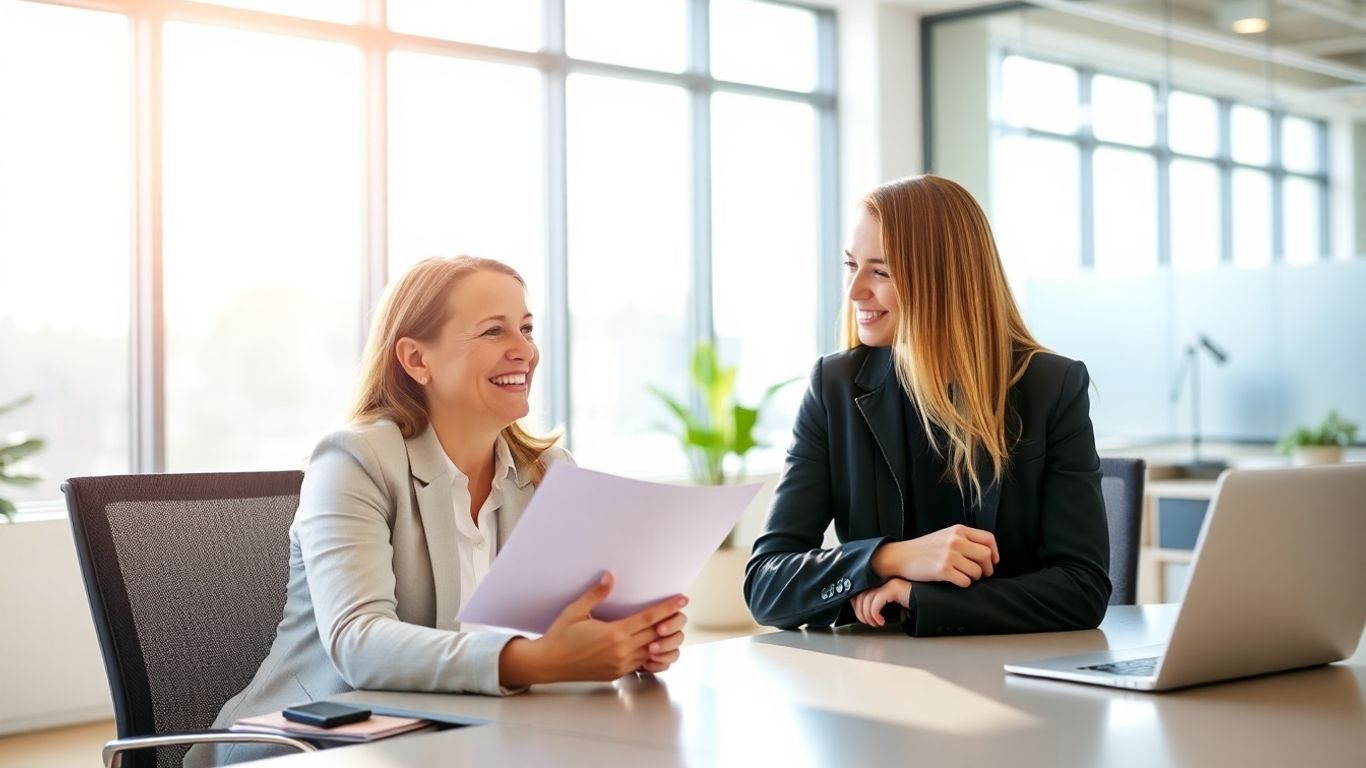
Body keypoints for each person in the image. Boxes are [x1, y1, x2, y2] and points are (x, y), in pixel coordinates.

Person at [189, 256, 687, 766]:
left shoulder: (547, 473)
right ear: (416, 359)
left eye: (526, 328)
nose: (525, 350)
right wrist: (533, 660)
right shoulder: (354, 461)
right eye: (493, 331)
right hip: (308, 747)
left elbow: (569, 622)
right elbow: (359, 642)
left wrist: (625, 640)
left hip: (466, 739)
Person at [743, 175, 1111, 637]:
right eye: (851, 265)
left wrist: (918, 598)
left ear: (943, 279)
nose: (855, 290)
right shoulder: (834, 387)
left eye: (880, 272)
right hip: (877, 671)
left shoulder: (1049, 386)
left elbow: (1082, 590)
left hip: (1012, 668)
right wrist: (889, 558)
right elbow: (766, 587)